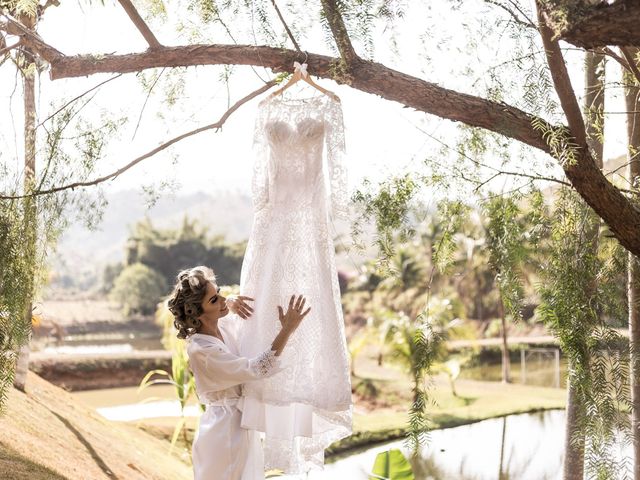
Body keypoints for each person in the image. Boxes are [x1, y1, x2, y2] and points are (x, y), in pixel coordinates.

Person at [166, 265, 311, 480]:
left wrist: (229, 302)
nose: (223, 300)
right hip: (223, 430)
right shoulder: (202, 350)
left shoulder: (220, 327)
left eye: (219, 293)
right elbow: (257, 368)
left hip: (240, 423)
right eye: (214, 300)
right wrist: (287, 329)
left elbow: (235, 319)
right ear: (197, 313)